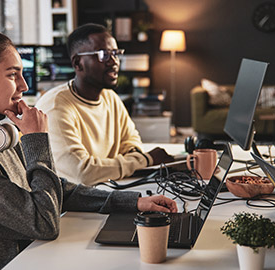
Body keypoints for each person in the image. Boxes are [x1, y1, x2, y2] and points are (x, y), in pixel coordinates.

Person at [0, 25, 178, 270]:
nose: (24, 86)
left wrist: (135, 202)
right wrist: (35, 139)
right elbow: (44, 223)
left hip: (34, 256)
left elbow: (60, 190)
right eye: (12, 75)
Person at [35, 23, 174, 186]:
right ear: (77, 63)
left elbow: (131, 143)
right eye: (104, 55)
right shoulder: (56, 106)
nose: (114, 61)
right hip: (69, 204)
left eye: (116, 53)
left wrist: (109, 167)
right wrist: (146, 159)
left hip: (109, 187)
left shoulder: (111, 98)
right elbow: (82, 174)